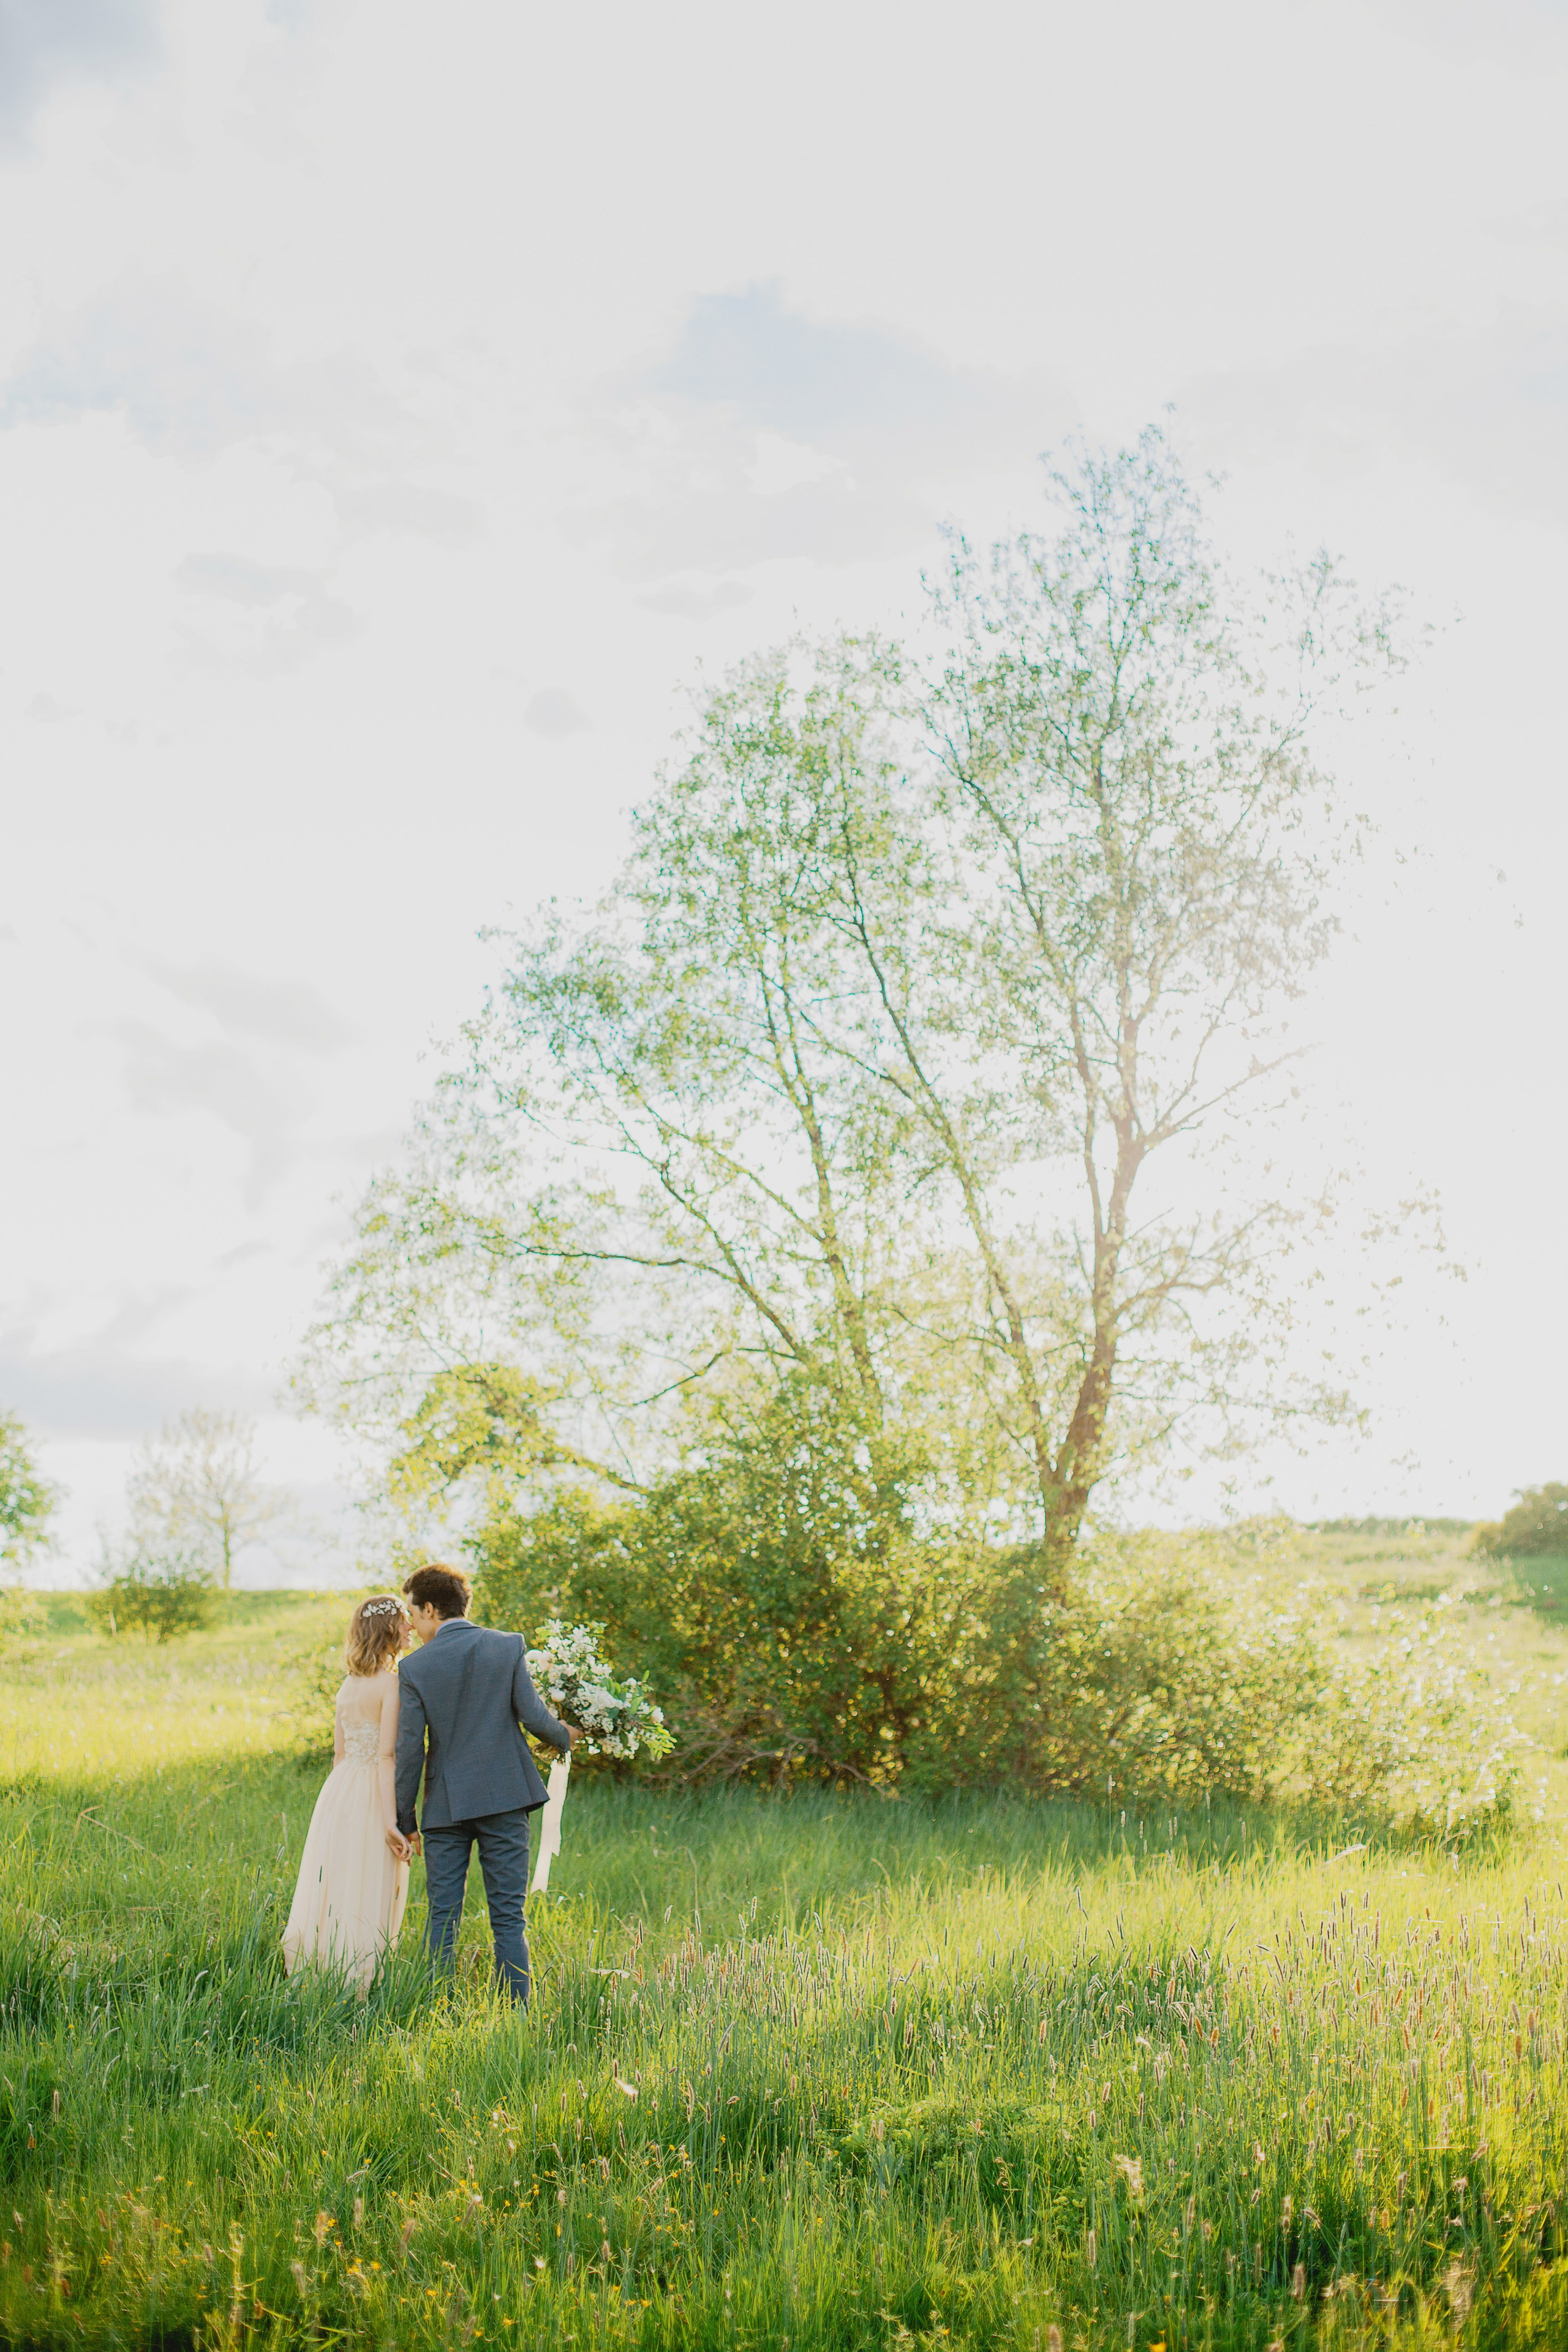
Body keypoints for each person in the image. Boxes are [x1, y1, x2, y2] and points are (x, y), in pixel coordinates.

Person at [393, 1561, 579, 2004]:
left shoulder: (415, 1668)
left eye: (414, 1614)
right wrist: (566, 1736)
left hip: (445, 1806)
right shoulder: (506, 1646)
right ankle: (517, 2012)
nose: (415, 1626)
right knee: (509, 1917)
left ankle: (432, 2007)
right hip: (505, 1797)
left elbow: (409, 1751)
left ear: (432, 1609)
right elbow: (533, 1716)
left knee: (442, 1916)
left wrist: (406, 1818)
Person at [282, 1593, 412, 1989]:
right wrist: (394, 1820)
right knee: (369, 1876)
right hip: (373, 1790)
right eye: (404, 1621)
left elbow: (340, 1756)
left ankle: (323, 1965)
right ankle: (358, 1975)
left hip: (339, 1791)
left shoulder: (347, 1686)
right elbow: (387, 1755)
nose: (409, 1628)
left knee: (340, 1876)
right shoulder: (393, 1684)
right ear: (389, 1630)